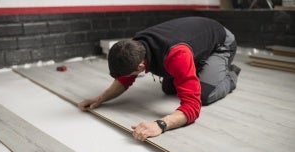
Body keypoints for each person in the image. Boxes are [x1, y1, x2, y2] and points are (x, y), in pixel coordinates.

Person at [78, 16, 240, 141]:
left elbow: (192, 107)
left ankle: (229, 74)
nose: (125, 78)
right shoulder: (134, 46)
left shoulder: (177, 55)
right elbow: (124, 80)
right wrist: (99, 99)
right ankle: (198, 67)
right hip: (194, 42)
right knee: (168, 89)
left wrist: (160, 124)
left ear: (140, 66)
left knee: (204, 95)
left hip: (221, 43)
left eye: (129, 74)